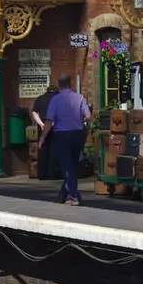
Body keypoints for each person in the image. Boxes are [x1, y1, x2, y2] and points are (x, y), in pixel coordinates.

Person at [43, 74, 90, 205]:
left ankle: (73, 196)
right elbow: (88, 116)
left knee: (67, 166)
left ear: (59, 84)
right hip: (77, 134)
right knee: (72, 166)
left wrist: (42, 138)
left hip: (62, 135)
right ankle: (63, 195)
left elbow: (49, 121)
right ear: (71, 84)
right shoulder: (80, 98)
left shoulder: (55, 100)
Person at [30, 83, 58, 180]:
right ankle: (52, 173)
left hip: (42, 127)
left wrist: (41, 124)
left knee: (42, 149)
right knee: (54, 150)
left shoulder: (40, 98)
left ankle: (42, 174)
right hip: (55, 127)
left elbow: (34, 112)